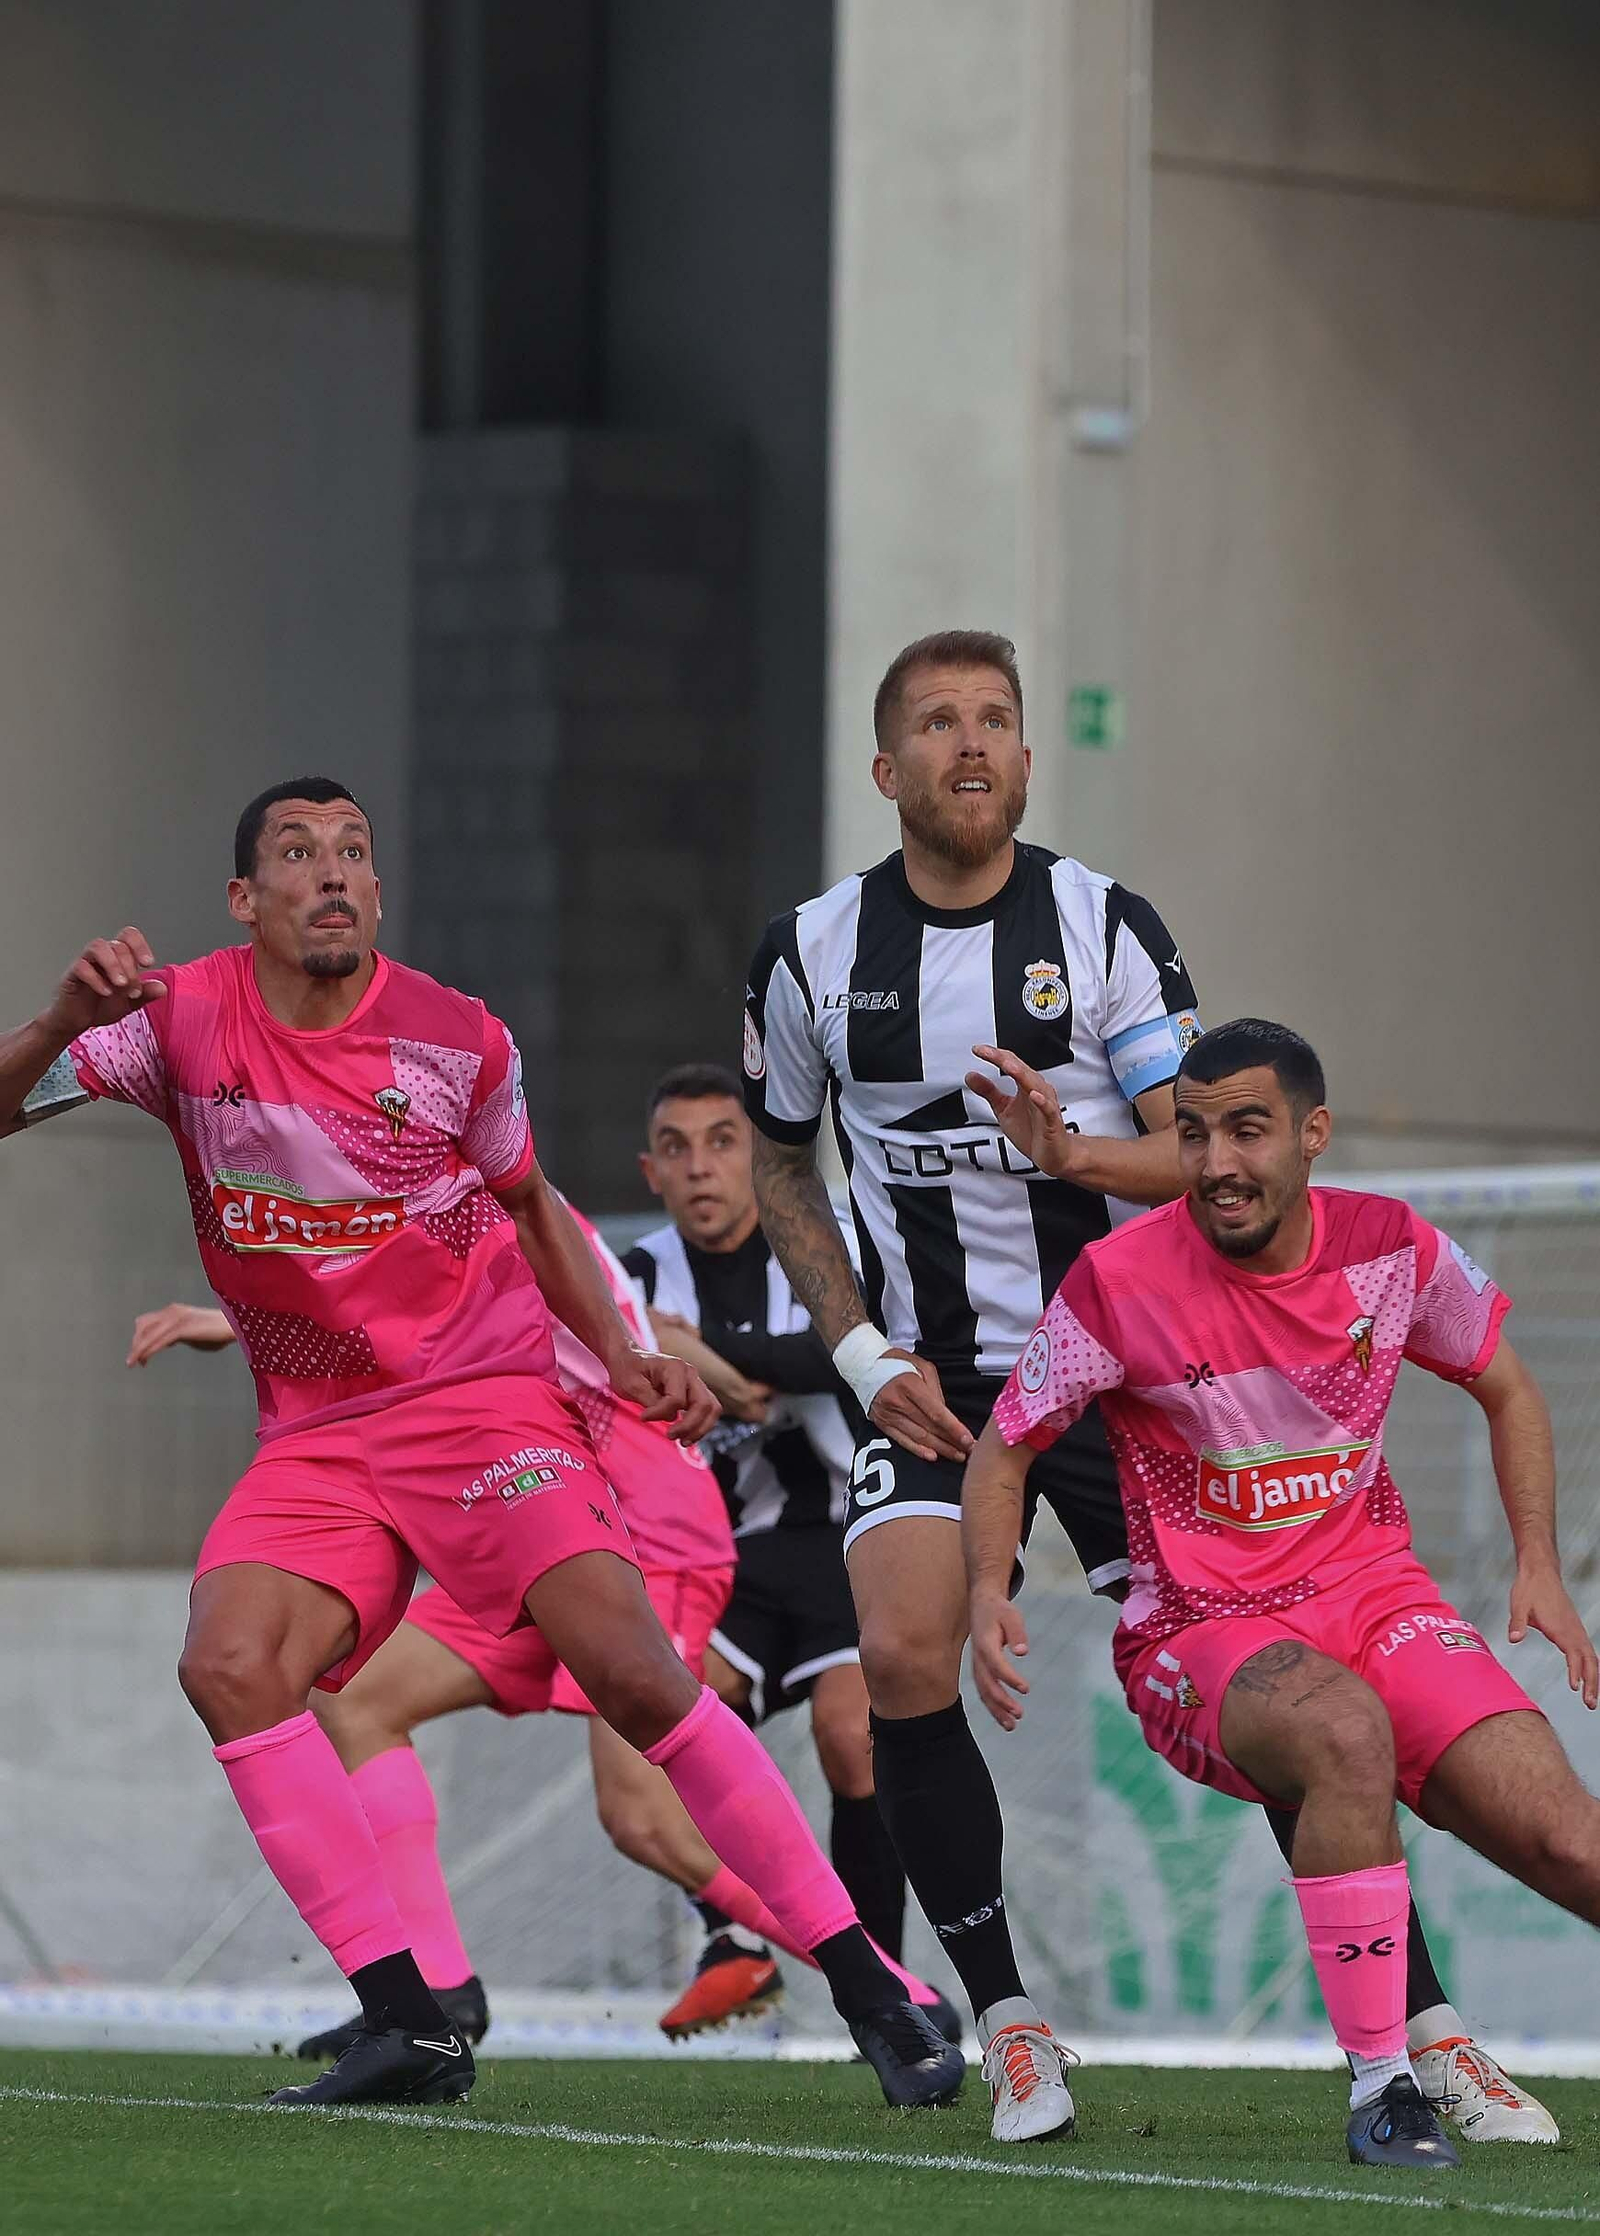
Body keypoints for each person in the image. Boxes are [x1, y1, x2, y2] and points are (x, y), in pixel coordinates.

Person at [0, 776, 963, 2115]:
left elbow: (532, 1207)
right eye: (298, 852)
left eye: (353, 852)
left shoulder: (456, 1041)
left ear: (377, 888)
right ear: (243, 899)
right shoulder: (174, 1018)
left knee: (635, 1684)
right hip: (320, 1434)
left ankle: (875, 1992)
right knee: (231, 1663)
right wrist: (61, 1017)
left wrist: (621, 1356)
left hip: (483, 1405)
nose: (333, 873)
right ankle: (413, 2018)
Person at [742, 628, 1553, 2146]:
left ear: (1026, 756)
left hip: (1130, 1372)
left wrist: (1065, 1154)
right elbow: (782, 1163)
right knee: (902, 1653)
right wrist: (858, 1352)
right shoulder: (809, 953)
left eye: (995, 719)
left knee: (1284, 1688)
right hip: (932, 1383)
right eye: (938, 722)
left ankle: (1425, 2031)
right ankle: (1010, 2025)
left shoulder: (1103, 924)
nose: (971, 743)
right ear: (887, 767)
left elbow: (1202, 1153)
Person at [964, 1017, 1588, 2168]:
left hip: (1376, 1597)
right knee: (1342, 1729)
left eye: (1245, 1131)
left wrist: (1537, 1561)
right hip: (1198, 1628)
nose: (1215, 1164)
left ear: (1312, 1134)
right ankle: (1386, 2088)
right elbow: (1005, 1446)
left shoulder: (1389, 1245)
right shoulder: (1117, 1279)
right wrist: (982, 1590)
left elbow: (1507, 1386)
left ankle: (1429, 2053)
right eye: (1194, 1134)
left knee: (1568, 1841)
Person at [131, 1202, 947, 2057]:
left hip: (646, 1524)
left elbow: (427, 1294)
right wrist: (243, 1321)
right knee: (359, 1701)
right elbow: (386, 1290)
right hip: (522, 1505)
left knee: (643, 1819)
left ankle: (894, 1993)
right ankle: (441, 1988)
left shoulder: (498, 1194)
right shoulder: (437, 1192)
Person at [625, 1063, 954, 2042]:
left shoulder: (826, 1241)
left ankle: (887, 2000)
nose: (700, 1168)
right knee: (677, 1724)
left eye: (722, 1142)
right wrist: (711, 1369)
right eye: (676, 1149)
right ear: (651, 1172)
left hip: (847, 1534)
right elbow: (612, 1360)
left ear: (757, 1156)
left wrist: (707, 1356)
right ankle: (736, 1938)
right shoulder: (635, 1276)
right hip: (720, 1552)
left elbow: (845, 1358)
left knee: (853, 1738)